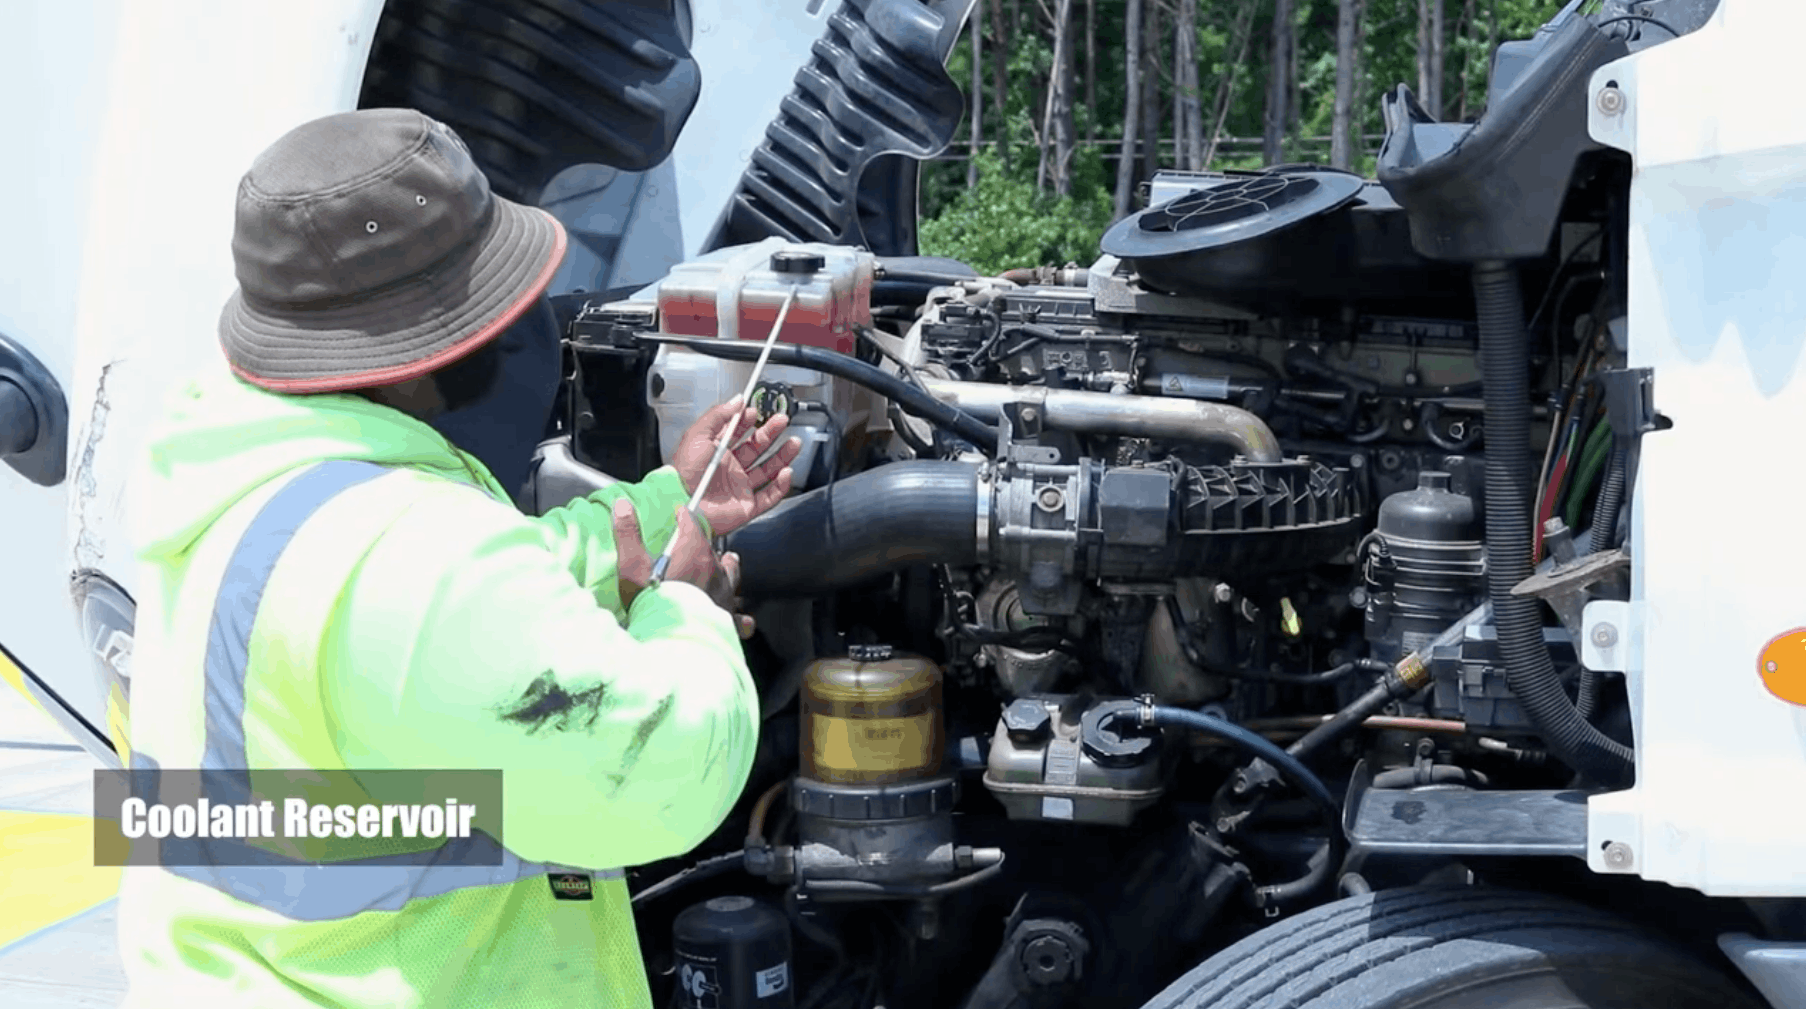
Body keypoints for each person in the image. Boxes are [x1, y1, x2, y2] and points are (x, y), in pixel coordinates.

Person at [116, 107, 800, 1008]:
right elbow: (664, 774)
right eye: (499, 299)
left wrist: (670, 504)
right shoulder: (414, 553)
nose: (524, 321)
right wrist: (687, 610)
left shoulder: (243, 478)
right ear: (429, 340)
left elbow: (484, 589)